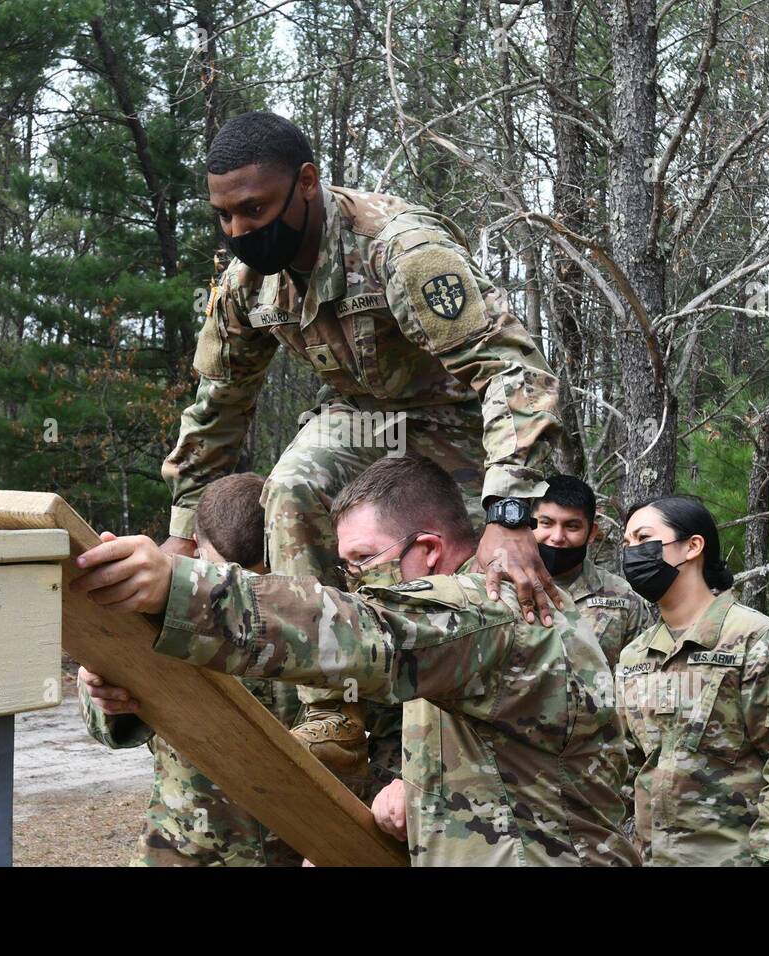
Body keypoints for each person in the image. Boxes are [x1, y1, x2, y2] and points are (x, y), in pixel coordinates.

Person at [159, 111, 565, 788]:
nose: (239, 231)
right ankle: (331, 713)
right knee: (289, 487)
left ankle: (475, 732)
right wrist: (178, 534)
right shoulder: (244, 285)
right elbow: (216, 411)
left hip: (456, 419)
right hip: (362, 421)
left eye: (254, 209)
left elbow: (514, 371)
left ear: (307, 184)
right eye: (224, 216)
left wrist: (512, 512)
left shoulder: (400, 251)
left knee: (471, 562)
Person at [71, 455, 639, 867]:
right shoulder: (465, 631)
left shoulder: (485, 610)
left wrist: (176, 588)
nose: (357, 583)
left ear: (430, 549)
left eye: (364, 561)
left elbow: (362, 631)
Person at [77, 473, 306, 866]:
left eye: (257, 579)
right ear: (196, 550)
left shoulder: (318, 617)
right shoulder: (160, 614)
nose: (239, 592)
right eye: (221, 577)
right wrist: (102, 695)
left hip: (299, 849)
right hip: (184, 848)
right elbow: (112, 728)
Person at [616, 494, 769, 866]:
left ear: (692, 546)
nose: (632, 553)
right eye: (627, 544)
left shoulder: (754, 639)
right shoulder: (636, 655)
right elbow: (627, 767)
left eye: (644, 539)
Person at [532, 475, 649, 670]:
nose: (557, 537)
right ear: (529, 524)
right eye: (546, 523)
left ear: (592, 533)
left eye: (572, 526)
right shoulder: (503, 585)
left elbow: (641, 680)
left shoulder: (623, 598)